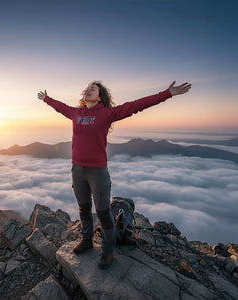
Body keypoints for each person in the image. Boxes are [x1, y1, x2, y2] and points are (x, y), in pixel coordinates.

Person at [37, 80, 191, 269]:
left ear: (100, 96)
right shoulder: (76, 113)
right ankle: (86, 240)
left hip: (97, 172)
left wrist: (167, 93)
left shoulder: (106, 114)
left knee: (102, 211)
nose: (88, 91)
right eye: (86, 89)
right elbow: (60, 107)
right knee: (83, 209)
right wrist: (46, 99)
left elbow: (135, 106)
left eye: (92, 89)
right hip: (77, 170)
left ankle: (108, 250)